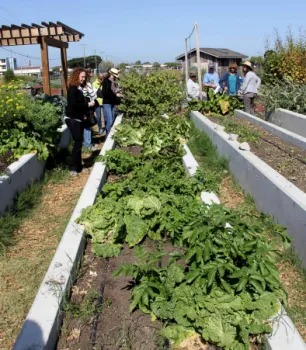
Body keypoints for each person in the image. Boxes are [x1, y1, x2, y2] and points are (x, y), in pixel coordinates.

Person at [65, 68, 95, 176]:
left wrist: (83, 114)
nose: (83, 79)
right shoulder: (72, 89)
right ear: (76, 76)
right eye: (82, 77)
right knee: (77, 142)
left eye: (84, 77)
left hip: (78, 118)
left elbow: (78, 105)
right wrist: (88, 105)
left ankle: (78, 166)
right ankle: (73, 167)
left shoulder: (78, 88)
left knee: (78, 142)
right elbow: (73, 105)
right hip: (72, 119)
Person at [102, 68, 122, 135]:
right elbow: (105, 92)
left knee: (112, 119)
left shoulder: (114, 81)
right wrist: (115, 93)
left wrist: (116, 93)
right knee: (110, 120)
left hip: (112, 102)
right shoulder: (106, 81)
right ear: (111, 74)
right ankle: (107, 135)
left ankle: (109, 134)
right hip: (107, 102)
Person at [82, 68, 97, 150]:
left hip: (86, 104)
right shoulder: (87, 84)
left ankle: (89, 142)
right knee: (88, 125)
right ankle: (88, 144)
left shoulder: (85, 84)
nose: (93, 73)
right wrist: (95, 91)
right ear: (89, 73)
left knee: (88, 125)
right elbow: (93, 95)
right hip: (87, 105)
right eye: (92, 71)